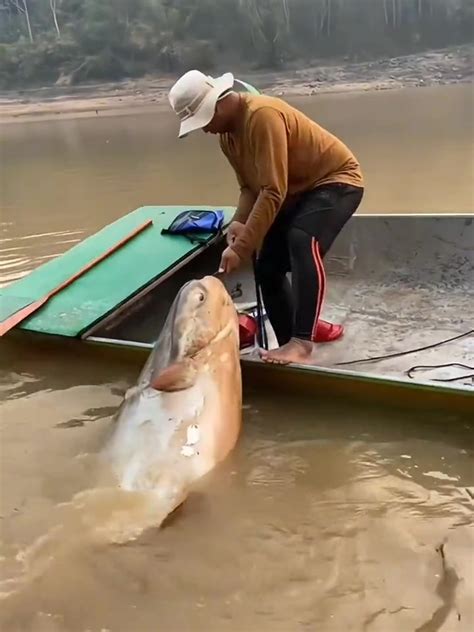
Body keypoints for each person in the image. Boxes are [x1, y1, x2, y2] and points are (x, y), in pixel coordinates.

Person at [168, 70, 364, 365]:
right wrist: (239, 222)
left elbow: (273, 190)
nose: (205, 130)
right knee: (267, 264)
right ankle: (291, 338)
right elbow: (250, 186)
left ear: (218, 104)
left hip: (335, 181)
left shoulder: (262, 116)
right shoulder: (228, 138)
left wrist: (242, 247)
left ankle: (302, 341)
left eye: (204, 121)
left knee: (302, 240)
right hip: (295, 192)